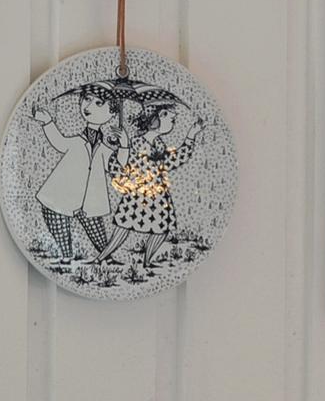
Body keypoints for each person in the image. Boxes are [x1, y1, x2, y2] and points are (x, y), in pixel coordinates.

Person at [98, 98, 199, 274]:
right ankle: (101, 258)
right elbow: (119, 165)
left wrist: (191, 136)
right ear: (156, 119)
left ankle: (147, 261)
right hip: (138, 196)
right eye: (171, 119)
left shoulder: (158, 144)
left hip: (158, 198)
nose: (173, 123)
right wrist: (124, 146)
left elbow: (171, 161)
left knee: (162, 230)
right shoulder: (136, 143)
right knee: (122, 229)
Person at [31, 82, 124, 263]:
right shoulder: (76, 142)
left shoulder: (104, 149)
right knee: (58, 224)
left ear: (112, 113)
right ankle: (66, 257)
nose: (88, 106)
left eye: (99, 103)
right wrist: (47, 121)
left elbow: (118, 166)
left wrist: (124, 145)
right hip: (60, 195)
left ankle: (106, 257)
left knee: (96, 229)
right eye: (87, 99)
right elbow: (59, 142)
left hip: (89, 199)